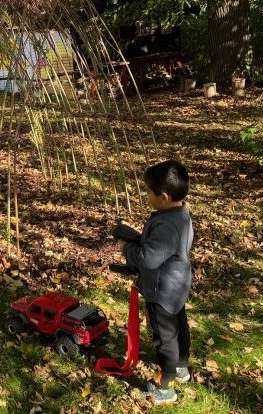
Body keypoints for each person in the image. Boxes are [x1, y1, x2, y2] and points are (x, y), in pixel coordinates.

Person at [113, 159, 193, 405]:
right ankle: (180, 367)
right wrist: (140, 238)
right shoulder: (179, 214)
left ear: (165, 196)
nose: (146, 194)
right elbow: (163, 249)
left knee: (164, 338)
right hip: (177, 287)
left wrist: (129, 249)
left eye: (148, 191)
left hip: (162, 291)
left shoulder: (167, 224)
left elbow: (148, 259)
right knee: (178, 327)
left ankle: (165, 388)